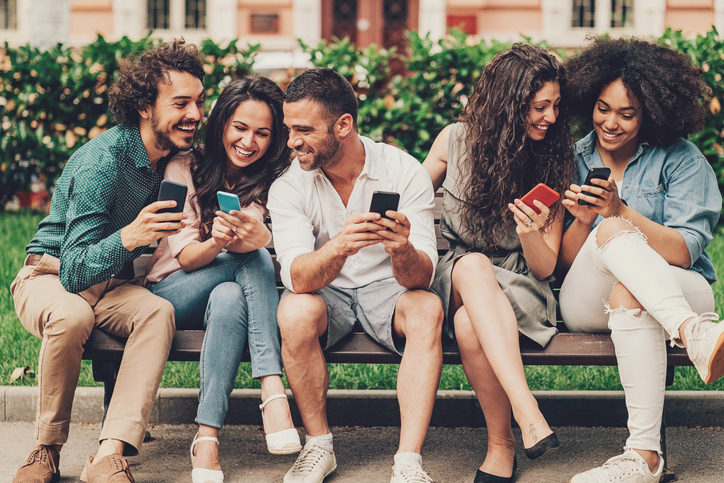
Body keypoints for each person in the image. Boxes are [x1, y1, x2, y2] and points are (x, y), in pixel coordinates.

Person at [9, 39, 205, 483]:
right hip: (51, 273)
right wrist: (131, 236)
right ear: (143, 106)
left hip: (115, 284)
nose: (194, 114)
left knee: (157, 311)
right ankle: (46, 448)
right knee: (73, 313)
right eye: (181, 103)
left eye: (198, 102)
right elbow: (75, 269)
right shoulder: (103, 161)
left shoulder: (174, 159)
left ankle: (108, 454)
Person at [559, 37, 724, 483]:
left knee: (629, 286)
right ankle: (695, 334)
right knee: (611, 233)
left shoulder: (682, 160)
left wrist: (621, 211)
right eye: (601, 108)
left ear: (650, 111)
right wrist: (591, 221)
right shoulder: (570, 159)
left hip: (677, 286)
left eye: (627, 114)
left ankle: (643, 458)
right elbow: (561, 265)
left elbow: (687, 250)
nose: (610, 123)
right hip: (584, 299)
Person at [267, 68, 444, 483]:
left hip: (390, 290)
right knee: (294, 312)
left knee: (427, 308)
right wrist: (341, 245)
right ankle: (319, 446)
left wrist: (401, 248)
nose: (292, 141)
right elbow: (296, 277)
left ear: (343, 125)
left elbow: (421, 279)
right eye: (289, 127)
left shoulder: (403, 170)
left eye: (304, 129)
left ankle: (408, 462)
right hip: (328, 292)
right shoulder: (290, 185)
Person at [422, 43, 574, 483]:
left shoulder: (554, 160)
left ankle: (501, 444)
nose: (549, 117)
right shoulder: (454, 140)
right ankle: (528, 410)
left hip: (520, 287)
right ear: (508, 105)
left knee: (471, 322)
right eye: (538, 107)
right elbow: (410, 194)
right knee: (471, 267)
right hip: (455, 274)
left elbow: (545, 270)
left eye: (556, 106)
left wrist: (529, 233)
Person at [144, 76, 297, 483]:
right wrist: (219, 242)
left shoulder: (273, 177)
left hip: (227, 293)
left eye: (263, 133)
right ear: (222, 124)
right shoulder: (183, 167)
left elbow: (268, 243)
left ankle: (207, 438)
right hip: (172, 291)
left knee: (231, 295)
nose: (250, 142)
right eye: (240, 128)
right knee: (254, 261)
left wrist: (259, 237)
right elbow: (188, 259)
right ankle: (272, 389)